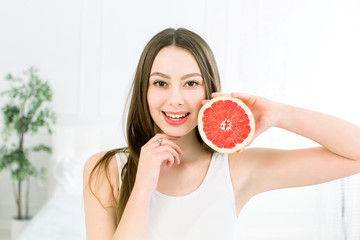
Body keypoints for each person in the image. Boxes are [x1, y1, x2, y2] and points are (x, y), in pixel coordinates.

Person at [83, 27, 360, 240]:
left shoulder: (235, 168)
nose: (175, 99)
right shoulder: (105, 170)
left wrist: (279, 114)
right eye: (160, 83)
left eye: (191, 83)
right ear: (145, 90)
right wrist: (142, 187)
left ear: (209, 90)